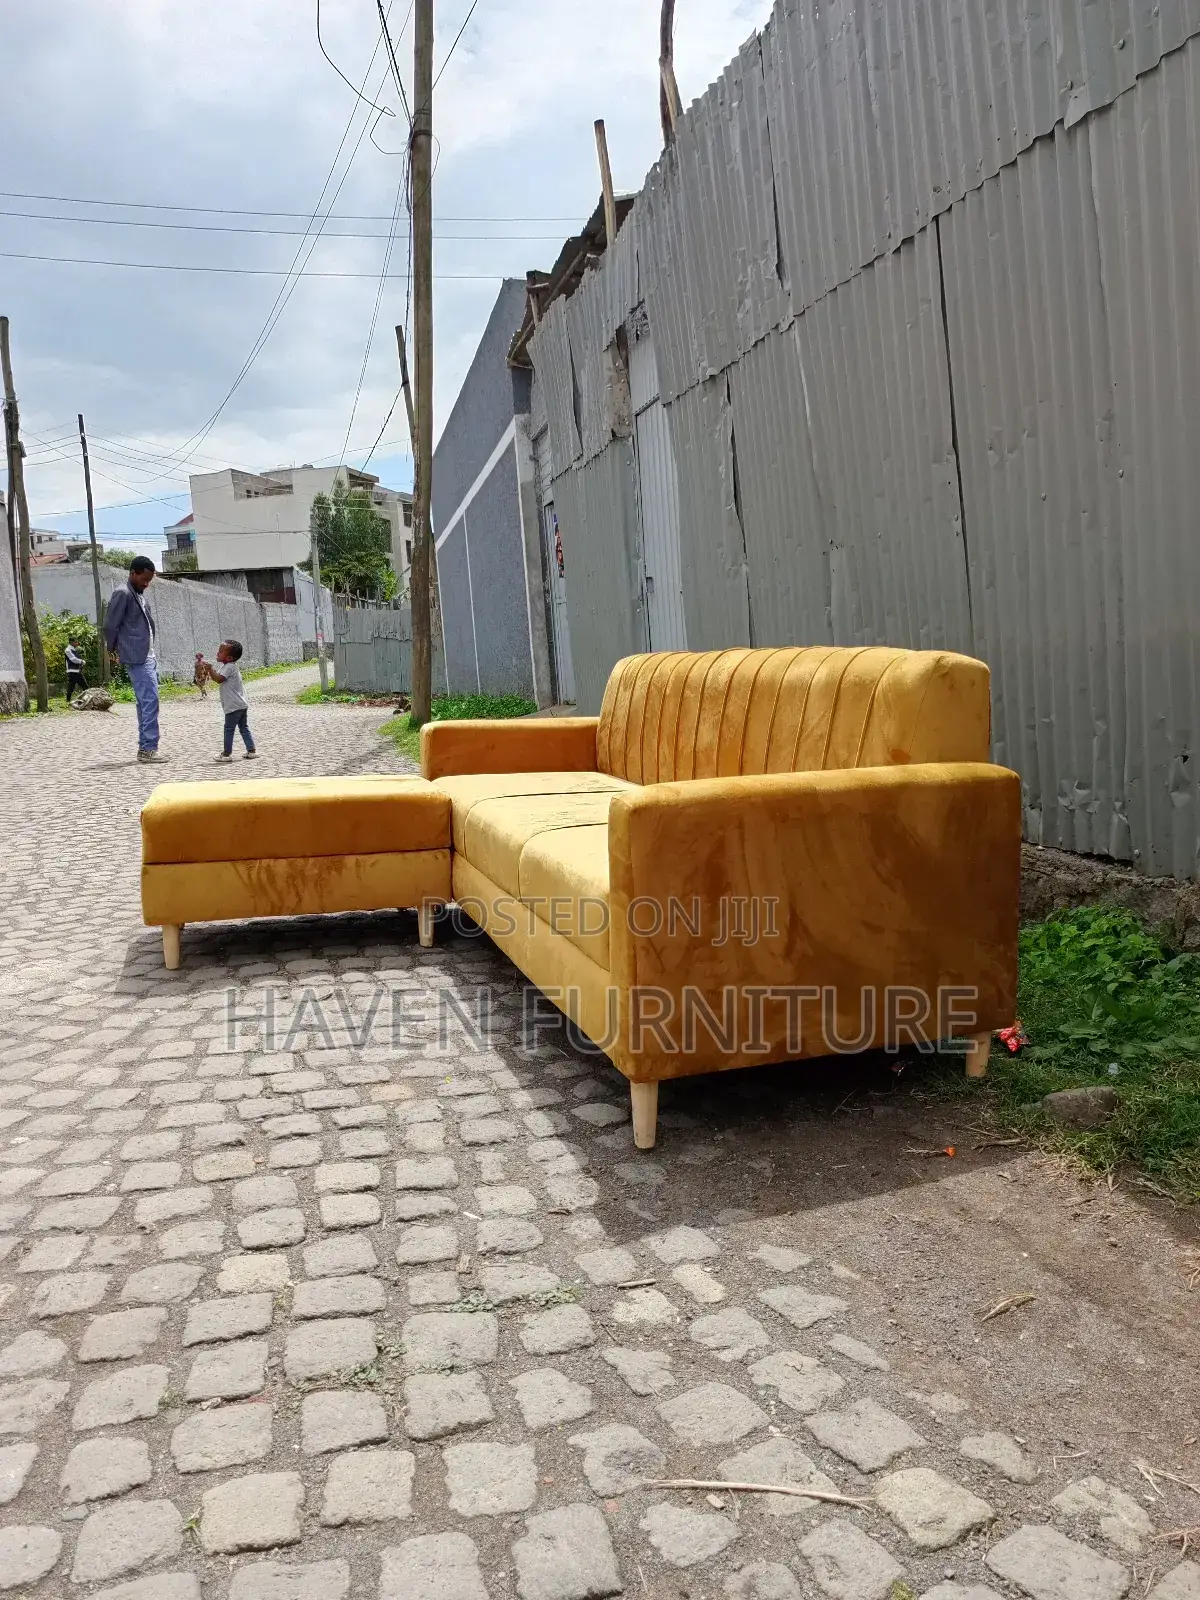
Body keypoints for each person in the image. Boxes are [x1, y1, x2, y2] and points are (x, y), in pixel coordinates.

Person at [103, 556, 167, 764]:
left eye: (149, 580)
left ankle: (145, 748)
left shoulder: (138, 595)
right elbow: (111, 625)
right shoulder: (122, 593)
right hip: (137, 656)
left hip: (148, 654)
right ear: (132, 573)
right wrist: (111, 648)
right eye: (144, 579)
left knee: (144, 702)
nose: (146, 584)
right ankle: (148, 749)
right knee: (150, 701)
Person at [200, 639, 257, 762]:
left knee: (229, 729)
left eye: (221, 651)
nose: (218, 653)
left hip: (233, 706)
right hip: (241, 704)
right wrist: (209, 670)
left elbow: (218, 679)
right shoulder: (229, 667)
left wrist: (210, 669)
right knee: (243, 727)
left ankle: (226, 754)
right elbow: (217, 676)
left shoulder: (229, 667)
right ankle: (251, 750)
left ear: (230, 658)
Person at [64, 637, 87, 703]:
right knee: (73, 687)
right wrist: (82, 661)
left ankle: (85, 700)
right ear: (71, 642)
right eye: (76, 642)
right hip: (72, 671)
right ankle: (68, 701)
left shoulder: (73, 650)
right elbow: (73, 659)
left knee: (83, 686)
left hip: (77, 671)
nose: (77, 643)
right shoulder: (68, 650)